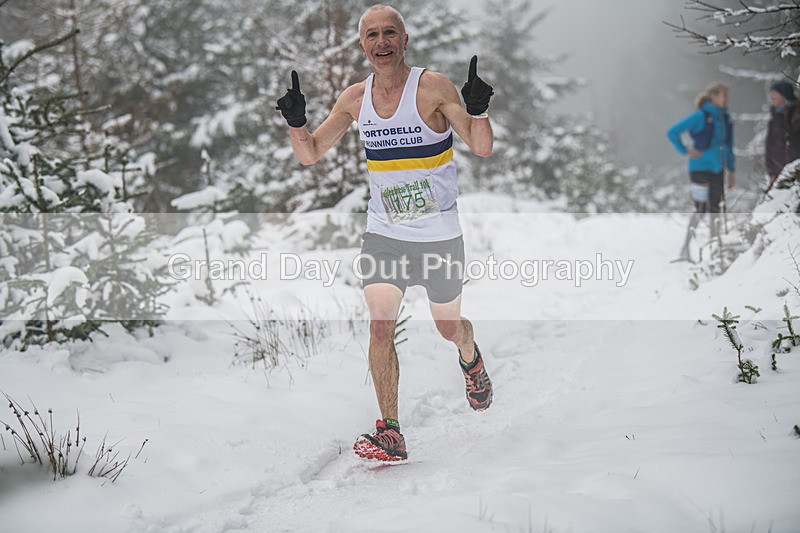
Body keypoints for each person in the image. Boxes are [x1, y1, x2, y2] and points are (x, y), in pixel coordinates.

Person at [275, 4, 495, 462]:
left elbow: (480, 146)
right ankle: (390, 430)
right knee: (380, 327)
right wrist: (296, 123)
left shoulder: (432, 87)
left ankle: (470, 356)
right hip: (384, 232)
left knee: (448, 327)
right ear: (362, 46)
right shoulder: (355, 99)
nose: (382, 42)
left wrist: (478, 111)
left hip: (438, 234)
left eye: (390, 33)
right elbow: (310, 153)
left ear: (404, 39)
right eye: (372, 35)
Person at [667, 82, 736, 261]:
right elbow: (672, 132)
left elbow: (729, 145)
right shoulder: (700, 116)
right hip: (699, 169)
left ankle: (715, 252)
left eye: (727, 95)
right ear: (713, 97)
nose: (726, 99)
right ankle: (685, 248)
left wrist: (731, 170)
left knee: (715, 208)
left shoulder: (725, 118)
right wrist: (685, 150)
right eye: (723, 95)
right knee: (701, 209)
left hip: (718, 169)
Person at [765, 80, 800, 187]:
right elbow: (769, 145)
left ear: (784, 95)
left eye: (775, 93)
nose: (772, 96)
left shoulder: (796, 114)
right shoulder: (774, 117)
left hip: (796, 169)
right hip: (778, 171)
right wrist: (771, 171)